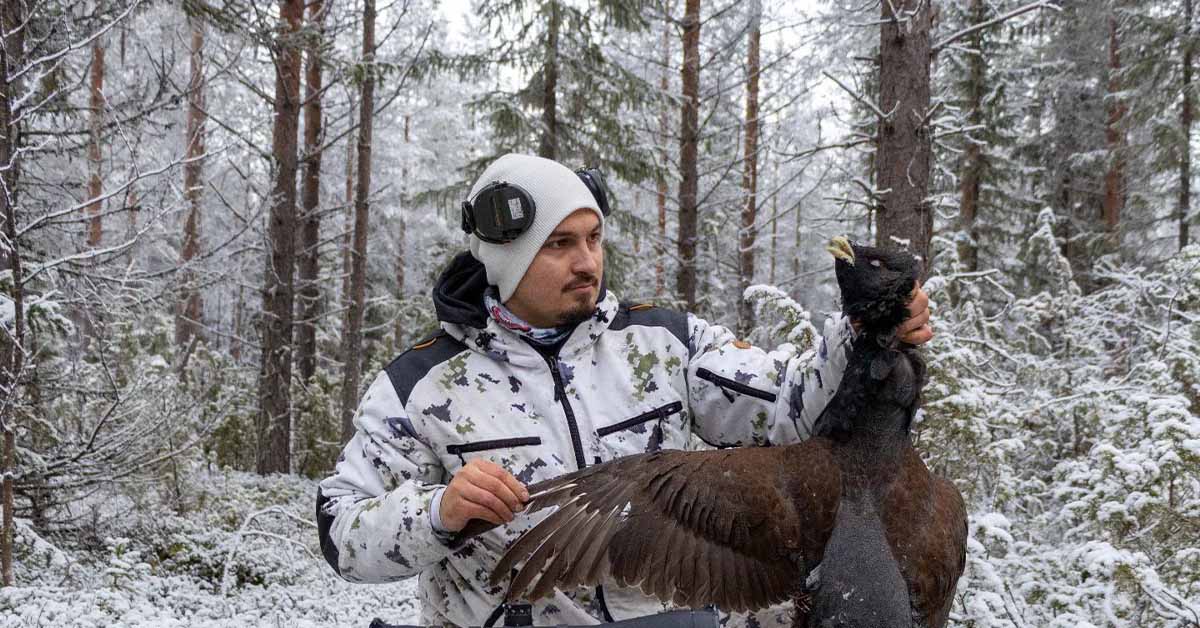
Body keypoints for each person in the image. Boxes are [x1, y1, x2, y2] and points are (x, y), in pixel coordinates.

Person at [316, 153, 933, 627]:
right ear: (502, 257)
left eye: (593, 238)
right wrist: (437, 513)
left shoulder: (665, 342)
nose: (587, 262)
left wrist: (866, 334)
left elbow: (794, 411)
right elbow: (342, 534)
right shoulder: (419, 385)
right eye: (560, 244)